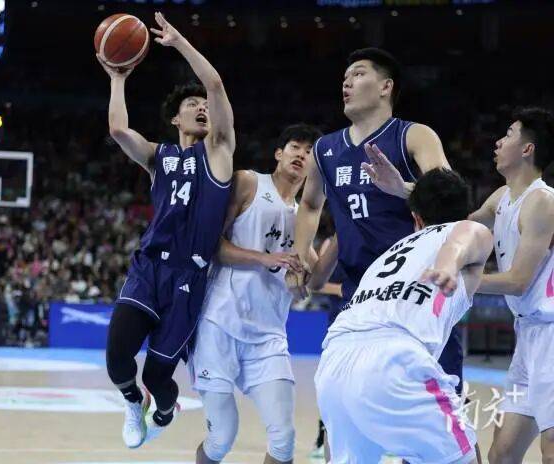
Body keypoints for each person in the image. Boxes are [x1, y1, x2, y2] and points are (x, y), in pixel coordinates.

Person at [292, 47, 464, 450]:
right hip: (358, 300)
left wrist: (402, 189)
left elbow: (451, 201)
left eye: (358, 74)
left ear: (386, 86)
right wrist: (300, 254)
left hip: (417, 296)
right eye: (344, 77)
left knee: (433, 432)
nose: (346, 83)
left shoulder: (413, 135)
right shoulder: (325, 149)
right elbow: (310, 205)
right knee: (344, 426)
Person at [98, 12, 235, 448]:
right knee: (117, 357)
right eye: (191, 105)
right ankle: (132, 400)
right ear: (175, 119)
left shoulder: (219, 152)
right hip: (148, 268)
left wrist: (178, 43)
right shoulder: (159, 157)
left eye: (203, 105)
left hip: (188, 278)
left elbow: (215, 85)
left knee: (160, 375)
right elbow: (118, 129)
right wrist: (117, 77)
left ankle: (163, 410)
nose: (201, 107)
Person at [314, 168, 493, 463]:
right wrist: (447, 267)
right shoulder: (469, 230)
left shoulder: (388, 255)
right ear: (465, 213)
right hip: (395, 360)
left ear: (416, 218)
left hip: (335, 364)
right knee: (462, 457)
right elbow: (457, 243)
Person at [190, 124, 321, 464]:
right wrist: (265, 258)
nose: (301, 155)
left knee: (284, 439)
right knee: (221, 438)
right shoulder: (248, 182)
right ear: (279, 153)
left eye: (309, 152)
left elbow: (314, 280)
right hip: (219, 323)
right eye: (295, 147)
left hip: (268, 337)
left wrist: (328, 255)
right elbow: (212, 245)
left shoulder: (304, 221)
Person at [467, 107, 554, 464]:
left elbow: (518, 281)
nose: (498, 142)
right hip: (527, 338)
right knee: (501, 454)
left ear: (528, 149)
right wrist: (404, 191)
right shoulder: (501, 198)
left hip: (552, 337)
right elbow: (458, 224)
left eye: (508, 134)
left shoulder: (542, 201)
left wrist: (460, 281)